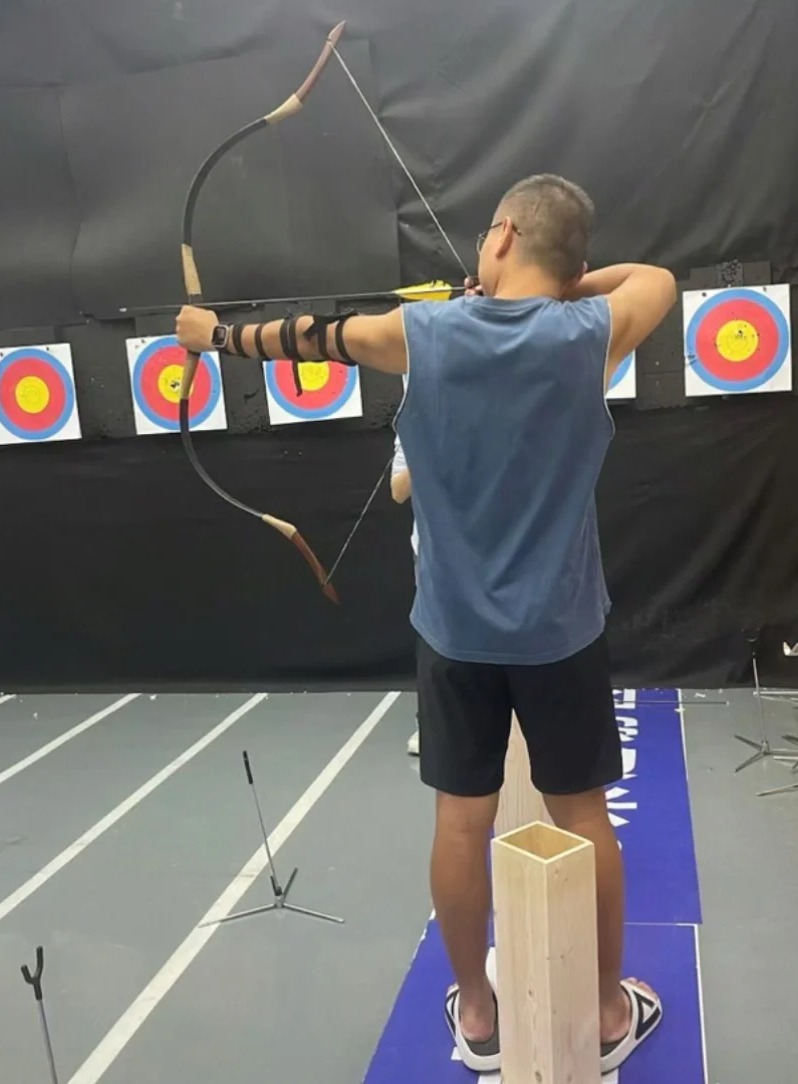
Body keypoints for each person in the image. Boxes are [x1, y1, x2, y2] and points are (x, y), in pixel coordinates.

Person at [176, 173, 677, 1074]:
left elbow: (309, 337)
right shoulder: (587, 333)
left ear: (503, 234)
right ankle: (607, 1014)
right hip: (560, 629)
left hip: (453, 632)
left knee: (460, 823)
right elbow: (657, 279)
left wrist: (212, 335)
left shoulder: (422, 333)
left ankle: (478, 1019)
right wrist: (564, 289)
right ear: (568, 264)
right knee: (582, 816)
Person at [391, 428, 421, 755]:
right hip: (432, 553)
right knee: (434, 640)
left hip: (493, 547)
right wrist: (429, 448)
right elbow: (398, 491)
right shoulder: (413, 421)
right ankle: (432, 723)